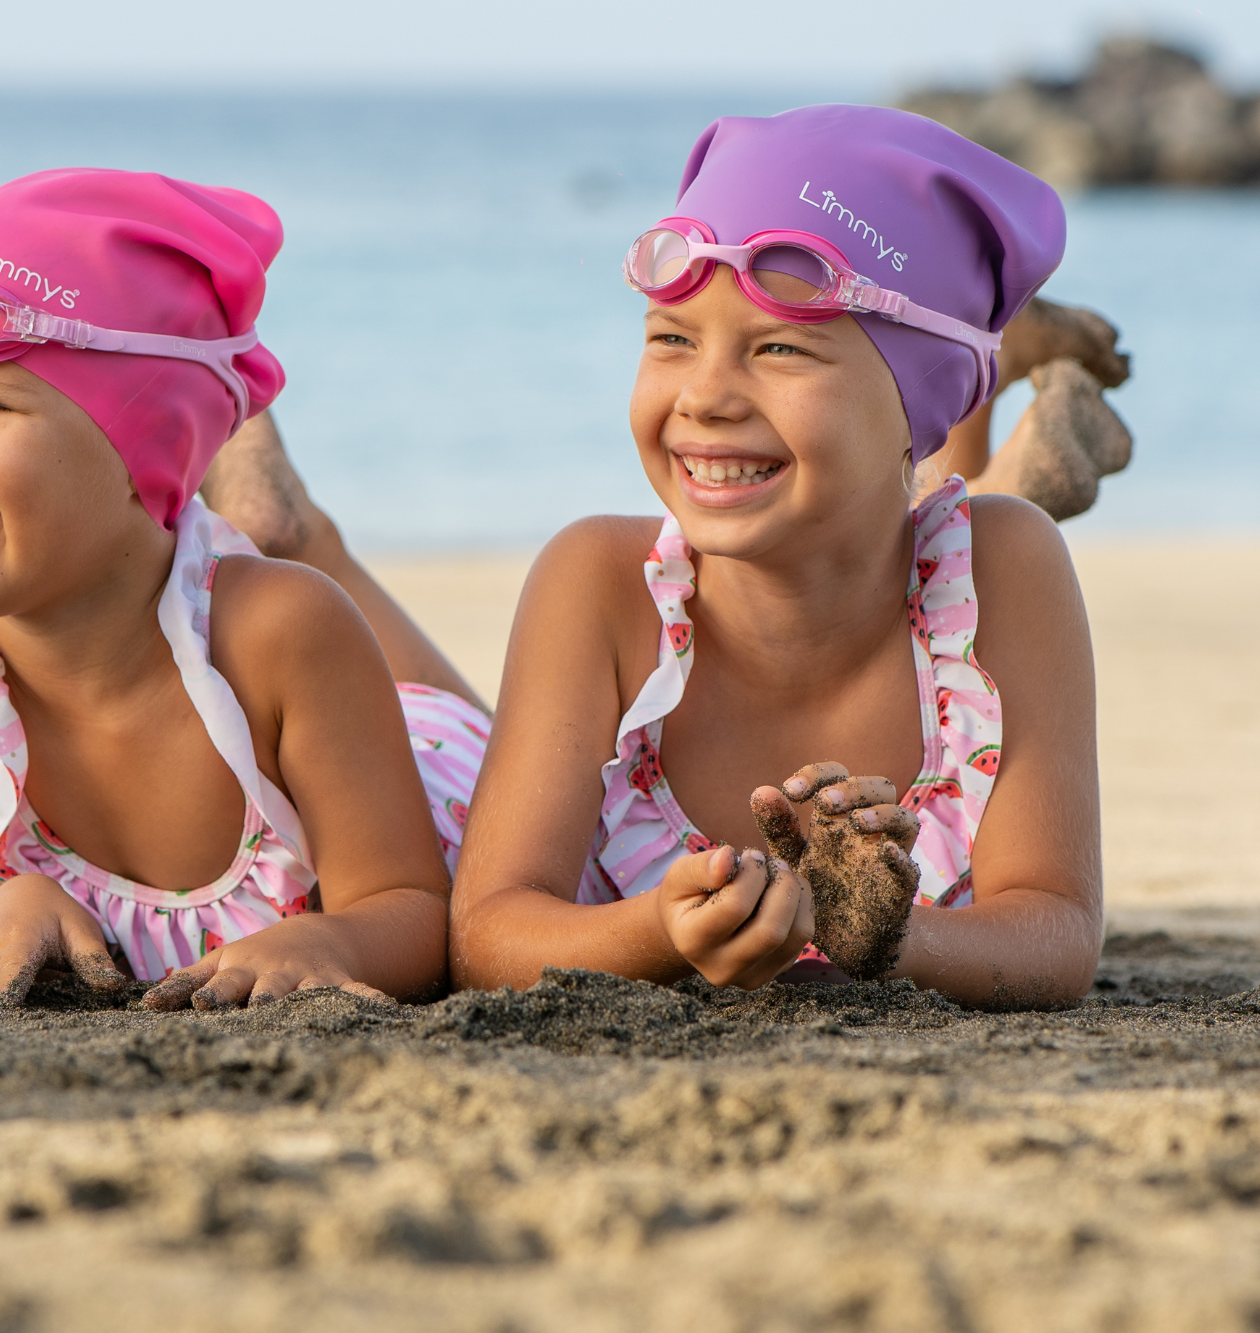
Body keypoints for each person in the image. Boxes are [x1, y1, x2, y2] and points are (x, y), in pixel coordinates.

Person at [434, 106, 1107, 1007]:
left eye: (781, 348)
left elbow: (1057, 934)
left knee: (987, 517)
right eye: (671, 339)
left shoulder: (1008, 570)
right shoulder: (599, 582)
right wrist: (663, 930)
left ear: (920, 398)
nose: (705, 396)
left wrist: (883, 935)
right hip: (449, 749)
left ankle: (991, 379)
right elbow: (485, 935)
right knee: (432, 730)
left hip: (931, 480)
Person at [0, 169, 486, 1013]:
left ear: (139, 446)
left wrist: (327, 937)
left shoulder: (288, 628)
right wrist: (13, 901)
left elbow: (415, 913)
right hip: (306, 704)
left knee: (366, 639)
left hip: (434, 769)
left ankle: (268, 506)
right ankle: (256, 497)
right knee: (282, 564)